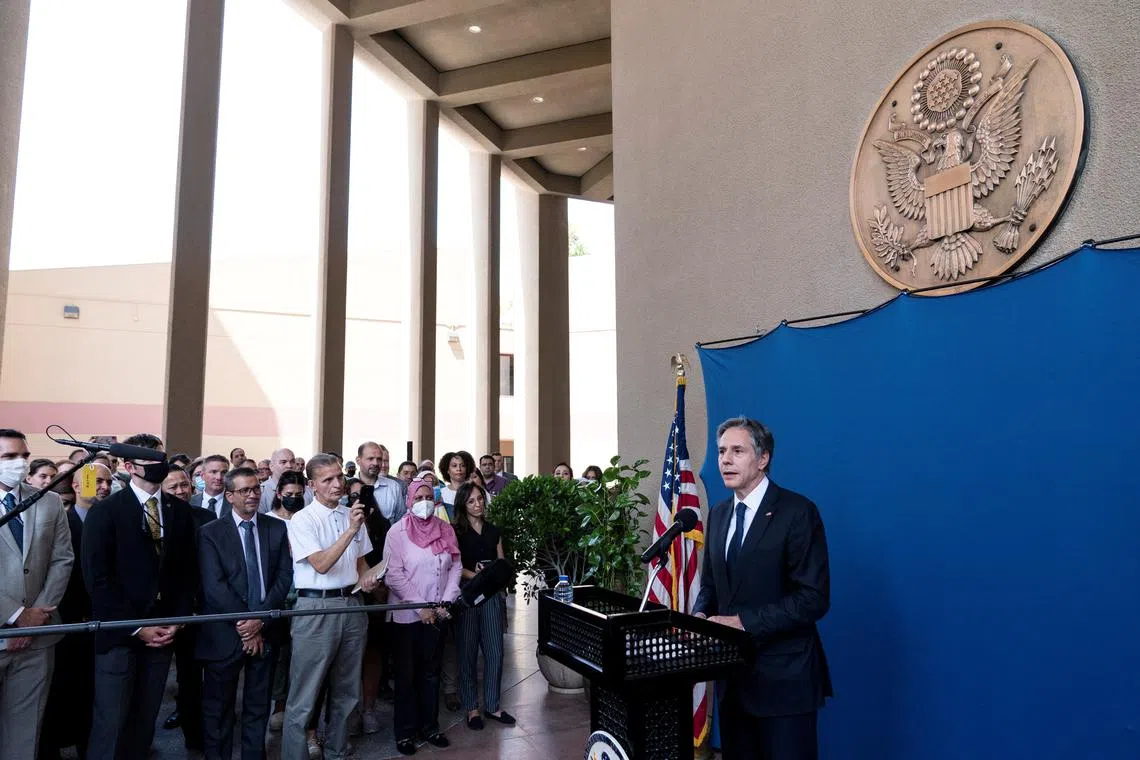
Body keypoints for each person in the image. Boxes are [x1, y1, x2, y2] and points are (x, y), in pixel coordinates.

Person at [693, 418, 832, 760]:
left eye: (737, 451)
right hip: (732, 682)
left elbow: (813, 598)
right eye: (721, 451)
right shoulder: (719, 514)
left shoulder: (797, 512)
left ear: (763, 458)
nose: (725, 460)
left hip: (784, 682)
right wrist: (700, 614)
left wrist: (742, 622)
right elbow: (711, 584)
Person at [82, 433, 198, 760]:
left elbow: (186, 571)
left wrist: (176, 619)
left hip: (163, 631)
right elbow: (98, 579)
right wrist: (136, 627)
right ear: (130, 466)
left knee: (145, 720)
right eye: (151, 459)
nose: (160, 464)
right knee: (111, 721)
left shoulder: (179, 510)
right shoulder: (106, 511)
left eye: (162, 457)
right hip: (119, 632)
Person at [282, 454, 379, 760]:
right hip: (315, 607)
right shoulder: (302, 520)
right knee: (304, 694)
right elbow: (321, 564)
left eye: (339, 476)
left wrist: (369, 579)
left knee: (348, 689)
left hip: (352, 605)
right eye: (328, 479)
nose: (337, 484)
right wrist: (350, 530)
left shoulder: (352, 514)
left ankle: (338, 750)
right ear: (312, 485)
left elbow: (361, 563)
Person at [197, 466, 292, 760]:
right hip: (225, 634)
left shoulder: (276, 528)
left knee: (258, 705)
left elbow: (283, 577)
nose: (252, 495)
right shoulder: (211, 533)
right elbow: (214, 586)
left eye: (255, 489)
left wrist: (258, 621)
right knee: (219, 709)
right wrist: (246, 624)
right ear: (229, 496)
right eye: (244, 490)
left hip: (265, 630)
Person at [0, 429, 74, 758]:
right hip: (6, 626)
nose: (19, 463)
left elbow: (62, 559)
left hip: (38, 637)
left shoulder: (49, 501)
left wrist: (36, 618)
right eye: (9, 457)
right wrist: (16, 616)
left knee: (25, 732)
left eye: (24, 456)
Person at [383, 477, 461, 755]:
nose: (424, 503)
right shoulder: (397, 532)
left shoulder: (444, 528)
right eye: (418, 498)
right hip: (407, 617)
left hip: (438, 612)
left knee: (430, 673)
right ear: (409, 500)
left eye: (428, 497)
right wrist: (421, 607)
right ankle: (405, 732)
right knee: (406, 675)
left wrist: (447, 600)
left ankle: (430, 727)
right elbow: (394, 575)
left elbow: (455, 565)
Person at [39, 464, 109, 760]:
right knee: (62, 689)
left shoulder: (110, 520)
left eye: (108, 482)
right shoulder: (63, 523)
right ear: (77, 486)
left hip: (103, 622)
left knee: (94, 693)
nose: (104, 487)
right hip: (67, 623)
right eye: (96, 481)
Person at [161, 466, 217, 750]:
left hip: (199, 608)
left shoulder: (205, 517)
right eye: (173, 487)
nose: (181, 491)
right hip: (163, 610)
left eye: (185, 485)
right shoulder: (154, 518)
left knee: (194, 675)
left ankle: (197, 737)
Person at [452, 482, 515, 730]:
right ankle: (472, 708)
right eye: (471, 501)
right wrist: (476, 575)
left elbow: (501, 562)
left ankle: (492, 705)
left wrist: (495, 577)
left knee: (495, 651)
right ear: (462, 505)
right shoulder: (455, 531)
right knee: (467, 653)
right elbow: (454, 566)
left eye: (480, 499)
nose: (477, 504)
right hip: (467, 597)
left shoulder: (493, 530)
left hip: (491, 595)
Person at [350, 480, 394, 734]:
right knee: (348, 659)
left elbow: (387, 559)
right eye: (353, 495)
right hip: (349, 597)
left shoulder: (382, 525)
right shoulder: (341, 523)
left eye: (363, 495)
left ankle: (369, 709)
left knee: (373, 654)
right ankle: (351, 712)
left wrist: (379, 587)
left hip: (375, 595)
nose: (359, 499)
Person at [355, 442, 405, 523]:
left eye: (379, 459)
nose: (375, 463)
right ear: (358, 460)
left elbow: (401, 521)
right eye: (370, 458)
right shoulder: (347, 486)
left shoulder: (393, 487)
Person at [259, 448, 313, 514]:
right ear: (271, 466)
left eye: (292, 462)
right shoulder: (261, 492)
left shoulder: (308, 492)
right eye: (283, 462)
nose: (289, 466)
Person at [192, 455, 232, 519]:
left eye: (224, 472)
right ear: (202, 475)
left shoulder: (235, 502)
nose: (219, 477)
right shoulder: (190, 502)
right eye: (214, 472)